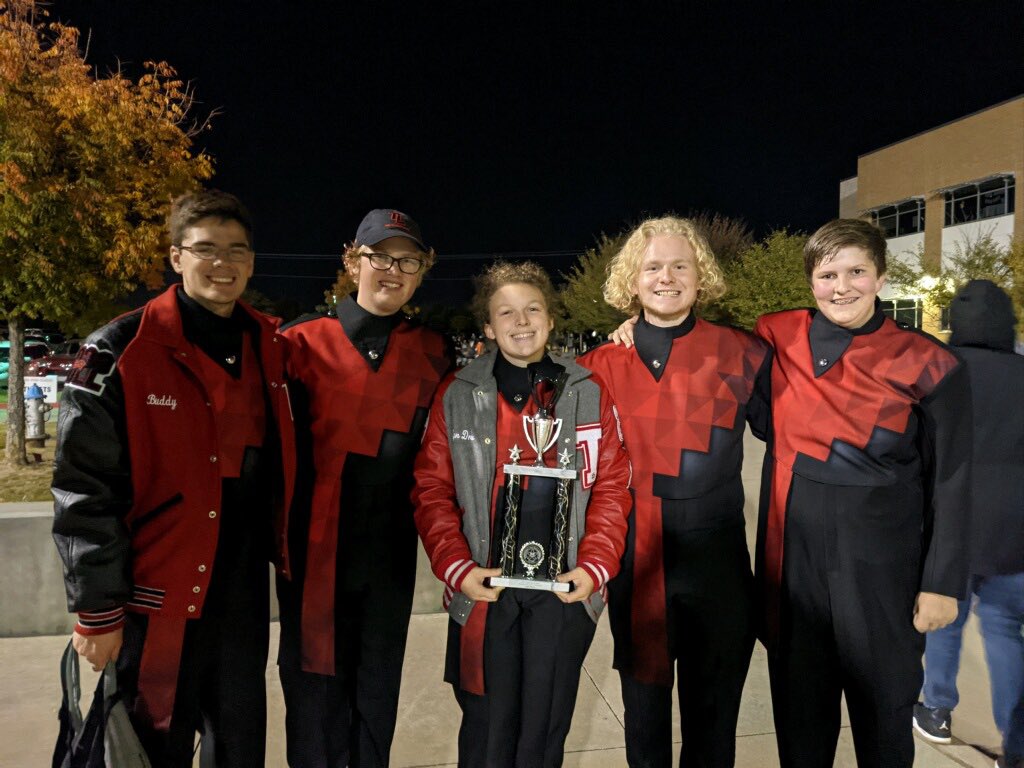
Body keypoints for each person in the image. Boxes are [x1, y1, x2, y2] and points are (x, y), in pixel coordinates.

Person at [52, 189, 296, 767]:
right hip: (153, 596)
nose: (223, 263)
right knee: (152, 745)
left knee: (238, 746)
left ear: (252, 263)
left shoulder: (269, 345)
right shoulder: (120, 349)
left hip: (239, 593)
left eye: (237, 250)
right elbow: (84, 485)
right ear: (176, 256)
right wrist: (96, 609)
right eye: (205, 248)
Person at [755, 219, 971, 768]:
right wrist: (636, 324)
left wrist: (943, 583)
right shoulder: (777, 336)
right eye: (828, 274)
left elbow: (952, 479)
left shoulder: (932, 362)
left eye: (856, 271)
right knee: (801, 728)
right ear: (810, 282)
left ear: (880, 276)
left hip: (882, 574)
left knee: (884, 727)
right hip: (794, 569)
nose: (842, 286)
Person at [413, 260, 632, 767]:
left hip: (563, 587)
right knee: (488, 729)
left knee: (543, 731)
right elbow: (431, 490)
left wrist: (595, 566)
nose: (521, 321)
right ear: (488, 327)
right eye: (505, 312)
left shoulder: (587, 391)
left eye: (533, 308)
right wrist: (458, 569)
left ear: (551, 319)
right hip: (485, 587)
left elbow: (613, 486)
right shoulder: (458, 393)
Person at [581, 216, 771, 767]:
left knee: (714, 729)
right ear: (632, 280)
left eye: (680, 265)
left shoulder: (745, 354)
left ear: (700, 274)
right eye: (653, 266)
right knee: (644, 728)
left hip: (719, 567)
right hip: (637, 567)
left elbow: (799, 436)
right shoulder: (596, 369)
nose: (667, 277)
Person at [276, 209, 452, 767]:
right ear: (354, 261)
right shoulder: (298, 344)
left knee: (377, 695)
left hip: (389, 558)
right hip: (314, 557)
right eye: (380, 256)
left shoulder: (433, 351)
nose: (393, 270)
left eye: (408, 260)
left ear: (422, 271)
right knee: (314, 698)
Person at [913, 280, 1023, 768]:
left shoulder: (942, 372)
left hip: (951, 523)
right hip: (1015, 531)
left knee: (944, 620)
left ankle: (936, 709)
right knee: (1003, 629)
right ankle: (1015, 744)